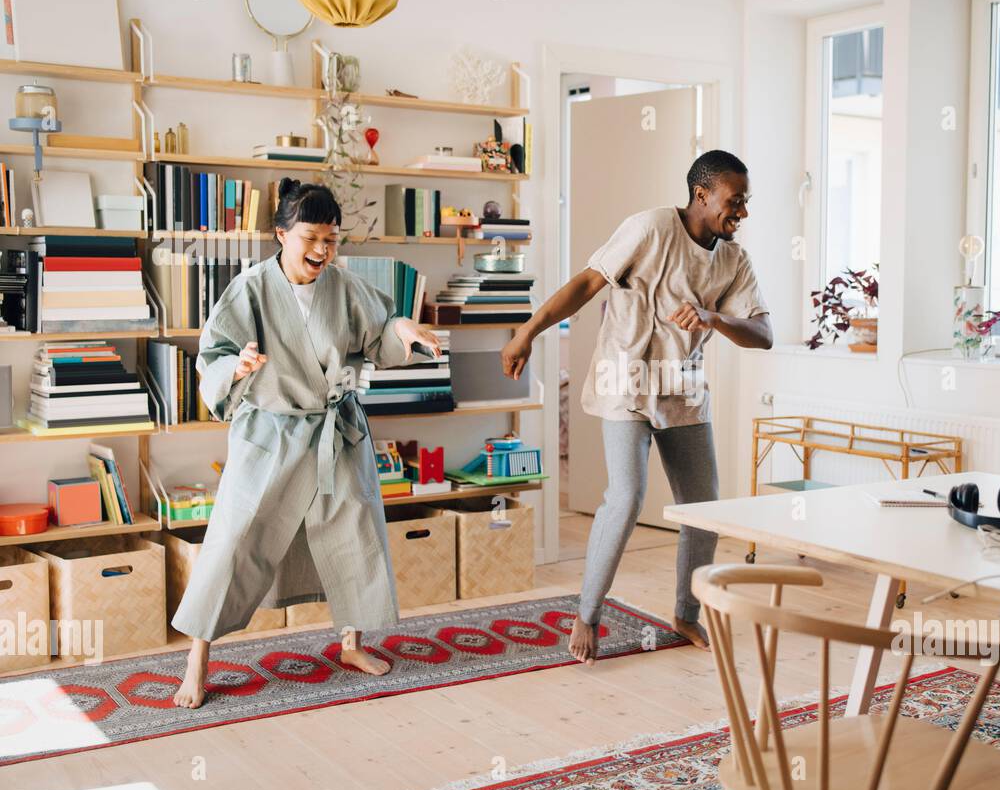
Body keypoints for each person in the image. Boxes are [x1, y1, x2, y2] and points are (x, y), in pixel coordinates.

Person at [171, 178, 443, 708]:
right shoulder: (251, 289)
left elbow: (383, 327)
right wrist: (238, 366)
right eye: (311, 238)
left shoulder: (344, 287)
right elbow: (214, 354)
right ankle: (196, 660)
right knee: (235, 537)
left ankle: (351, 644)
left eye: (331, 239)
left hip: (336, 431)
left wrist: (405, 330)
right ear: (281, 234)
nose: (322, 250)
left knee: (355, 525)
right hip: (269, 433)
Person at [502, 150, 772, 664]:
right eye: (734, 202)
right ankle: (586, 614)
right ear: (702, 194)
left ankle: (686, 613)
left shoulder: (734, 260)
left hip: (683, 390)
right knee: (626, 497)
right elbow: (587, 283)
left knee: (704, 507)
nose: (742, 213)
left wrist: (712, 317)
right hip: (625, 382)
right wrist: (527, 332)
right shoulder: (651, 228)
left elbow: (763, 334)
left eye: (745, 203)